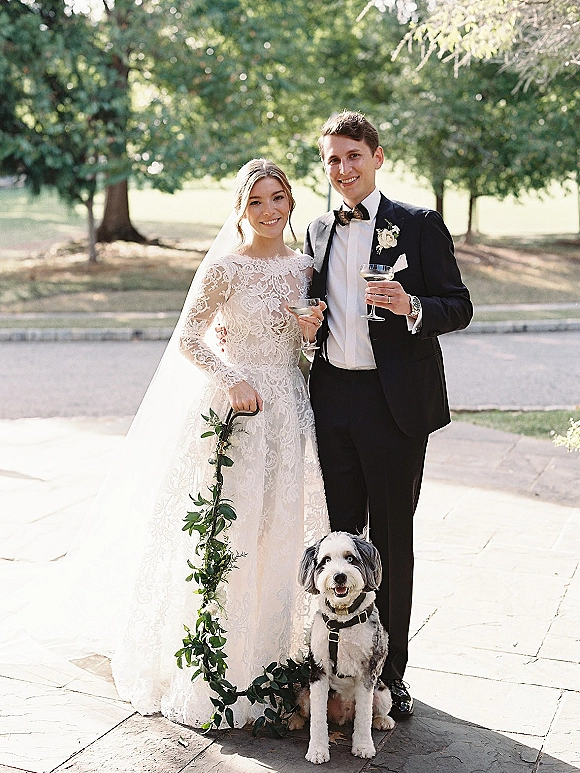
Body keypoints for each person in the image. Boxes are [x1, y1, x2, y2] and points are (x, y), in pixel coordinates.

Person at [94, 159, 328, 727]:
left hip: (291, 408)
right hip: (240, 409)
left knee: (283, 527)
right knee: (235, 529)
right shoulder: (225, 269)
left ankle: (279, 665)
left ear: (291, 202)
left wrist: (310, 336)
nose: (270, 211)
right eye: (257, 202)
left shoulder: (306, 268)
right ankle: (223, 669)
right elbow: (189, 340)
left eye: (278, 199)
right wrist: (231, 377)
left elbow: (314, 355)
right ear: (241, 210)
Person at [304, 111, 473, 719]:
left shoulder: (419, 226)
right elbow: (315, 306)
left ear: (377, 157)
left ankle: (390, 675)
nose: (343, 169)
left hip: (394, 405)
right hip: (334, 400)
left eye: (353, 156)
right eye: (332, 160)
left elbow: (459, 306)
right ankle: (341, 667)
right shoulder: (318, 230)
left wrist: (411, 305)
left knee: (391, 543)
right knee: (340, 541)